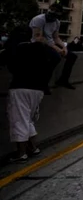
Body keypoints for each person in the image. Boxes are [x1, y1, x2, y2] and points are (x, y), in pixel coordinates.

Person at [5, 26, 55, 162]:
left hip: (20, 87)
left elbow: (7, 61)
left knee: (19, 120)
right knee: (27, 119)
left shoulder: (15, 48)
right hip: (38, 89)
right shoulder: (41, 48)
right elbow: (56, 56)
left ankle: (21, 153)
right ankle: (33, 148)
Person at [29, 2, 77, 89]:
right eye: (52, 11)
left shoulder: (57, 22)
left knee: (72, 56)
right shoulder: (39, 19)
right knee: (56, 57)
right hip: (38, 44)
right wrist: (56, 49)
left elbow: (56, 37)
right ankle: (43, 83)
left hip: (50, 44)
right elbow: (38, 37)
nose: (53, 16)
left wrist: (64, 47)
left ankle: (63, 80)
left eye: (56, 13)